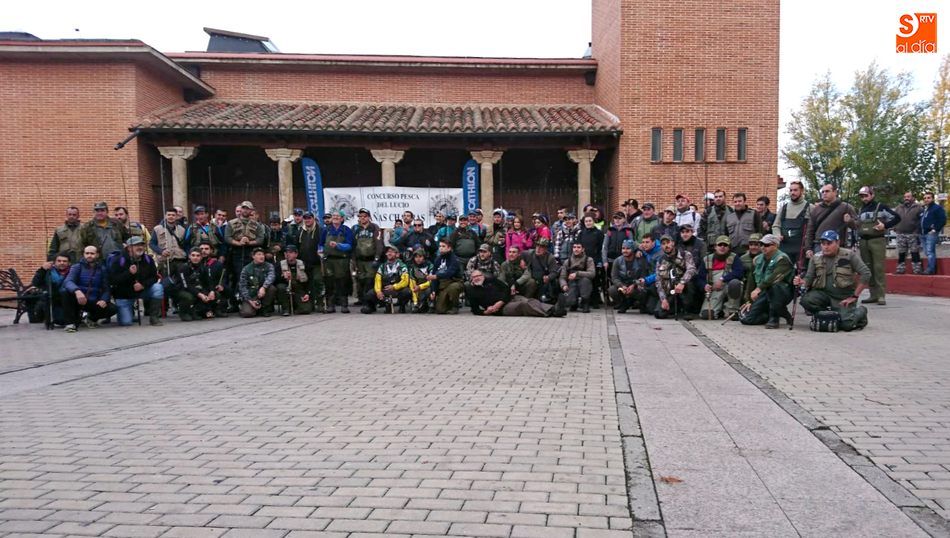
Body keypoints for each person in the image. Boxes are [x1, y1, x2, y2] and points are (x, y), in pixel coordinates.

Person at [794, 230, 871, 331]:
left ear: (837, 242)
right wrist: (801, 282)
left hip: (843, 297)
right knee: (806, 301)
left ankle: (861, 312)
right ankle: (828, 315)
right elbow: (808, 278)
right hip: (823, 294)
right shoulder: (816, 258)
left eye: (829, 243)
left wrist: (854, 296)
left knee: (847, 325)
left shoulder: (849, 255)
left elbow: (866, 273)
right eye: (823, 244)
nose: (825, 247)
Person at [855, 186, 900, 305]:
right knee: (868, 269)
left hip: (877, 240)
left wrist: (885, 225)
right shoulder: (861, 210)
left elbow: (897, 218)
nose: (864, 198)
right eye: (862, 196)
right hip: (864, 241)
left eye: (866, 195)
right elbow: (857, 225)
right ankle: (873, 294)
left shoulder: (881, 207)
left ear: (872, 195)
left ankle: (881, 295)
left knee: (878, 268)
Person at [739, 234, 794, 328]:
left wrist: (758, 289)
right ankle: (774, 313)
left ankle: (774, 318)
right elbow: (751, 281)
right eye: (762, 245)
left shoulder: (782, 259)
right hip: (763, 293)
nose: (763, 247)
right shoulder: (757, 260)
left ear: (776, 246)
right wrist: (748, 300)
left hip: (782, 292)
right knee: (747, 319)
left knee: (774, 286)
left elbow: (774, 278)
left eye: (767, 245)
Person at [109, 236, 164, 326]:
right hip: (124, 295)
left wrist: (143, 285)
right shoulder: (119, 260)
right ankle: (129, 310)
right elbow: (113, 280)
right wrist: (129, 273)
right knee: (126, 322)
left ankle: (154, 317)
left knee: (158, 288)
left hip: (142, 291)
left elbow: (154, 277)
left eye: (142, 245)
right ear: (129, 248)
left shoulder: (148, 259)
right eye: (136, 245)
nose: (140, 247)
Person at [62, 245, 117, 332]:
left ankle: (90, 319)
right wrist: (77, 291)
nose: (89, 255)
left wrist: (104, 299)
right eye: (87, 253)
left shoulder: (102, 269)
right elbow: (68, 281)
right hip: (78, 299)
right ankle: (70, 324)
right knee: (66, 292)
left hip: (93, 300)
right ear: (83, 254)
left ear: (97, 255)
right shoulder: (77, 267)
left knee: (112, 309)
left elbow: (106, 288)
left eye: (92, 253)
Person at [467, 270, 564, 317]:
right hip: (501, 309)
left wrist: (501, 301)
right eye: (474, 277)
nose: (476, 278)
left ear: (483, 275)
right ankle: (550, 313)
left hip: (509, 298)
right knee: (523, 305)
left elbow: (506, 289)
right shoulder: (472, 291)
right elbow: (475, 309)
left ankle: (553, 308)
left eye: (478, 275)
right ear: (471, 279)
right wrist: (485, 312)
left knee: (529, 300)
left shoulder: (491, 280)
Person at [225, 201, 267, 300]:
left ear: (251, 210)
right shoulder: (231, 223)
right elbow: (227, 238)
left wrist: (249, 242)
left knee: (252, 276)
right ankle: (236, 301)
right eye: (243, 208)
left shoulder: (257, 225)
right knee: (237, 276)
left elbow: (261, 239)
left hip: (251, 252)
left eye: (248, 208)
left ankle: (251, 298)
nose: (245, 210)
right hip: (236, 252)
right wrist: (238, 243)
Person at [286, 211, 325, 312]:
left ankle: (320, 303)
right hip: (304, 262)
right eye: (305, 218)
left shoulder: (320, 230)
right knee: (307, 283)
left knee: (317, 281)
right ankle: (310, 303)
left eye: (309, 218)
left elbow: (323, 244)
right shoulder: (300, 231)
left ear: (313, 218)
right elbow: (297, 246)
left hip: (317, 262)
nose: (307, 220)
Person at [805, 183, 858, 256]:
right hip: (819, 245)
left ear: (835, 192)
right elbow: (810, 230)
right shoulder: (816, 210)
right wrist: (808, 248)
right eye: (823, 192)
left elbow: (858, 225)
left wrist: (849, 221)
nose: (824, 193)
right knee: (820, 267)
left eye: (827, 191)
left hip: (839, 246)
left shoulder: (846, 207)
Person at [700, 235, 745, 320]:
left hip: (729, 286)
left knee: (735, 283)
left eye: (725, 245)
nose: (722, 247)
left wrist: (722, 279)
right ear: (715, 247)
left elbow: (739, 272)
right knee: (706, 315)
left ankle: (732, 310)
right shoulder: (707, 259)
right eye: (720, 245)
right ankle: (719, 310)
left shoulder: (734, 257)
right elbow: (700, 277)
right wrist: (704, 285)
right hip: (715, 289)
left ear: (729, 247)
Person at [654, 234, 697, 320]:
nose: (666, 245)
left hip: (684, 287)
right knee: (659, 313)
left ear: (673, 243)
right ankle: (673, 308)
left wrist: (682, 283)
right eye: (663, 244)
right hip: (670, 290)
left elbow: (691, 269)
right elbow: (658, 281)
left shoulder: (685, 254)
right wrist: (663, 299)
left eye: (668, 242)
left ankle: (687, 310)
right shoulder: (660, 260)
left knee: (689, 284)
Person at [319, 211, 355, 313]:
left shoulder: (346, 230)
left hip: (342, 260)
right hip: (328, 260)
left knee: (342, 282)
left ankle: (344, 305)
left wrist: (338, 245)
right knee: (329, 282)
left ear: (342, 218)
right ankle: (330, 305)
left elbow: (349, 245)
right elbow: (321, 244)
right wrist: (320, 251)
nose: (335, 218)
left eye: (337, 216)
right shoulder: (326, 230)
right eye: (333, 216)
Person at [361, 246, 411, 314]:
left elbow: (405, 281)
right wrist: (378, 291)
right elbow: (377, 280)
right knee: (370, 293)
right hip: (384, 289)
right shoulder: (382, 266)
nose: (389, 253)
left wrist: (394, 287)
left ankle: (402, 306)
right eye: (388, 252)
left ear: (397, 254)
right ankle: (373, 307)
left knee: (407, 292)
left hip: (397, 289)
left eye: (392, 252)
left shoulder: (402, 266)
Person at [773, 180, 810, 268]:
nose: (792, 193)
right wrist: (777, 235)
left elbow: (813, 228)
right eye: (791, 190)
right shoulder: (783, 208)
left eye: (795, 190)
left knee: (800, 275)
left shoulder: (810, 208)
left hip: (801, 250)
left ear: (802, 191)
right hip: (784, 248)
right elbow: (776, 226)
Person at [608, 239, 652, 314]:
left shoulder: (640, 260)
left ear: (633, 249)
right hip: (623, 285)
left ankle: (640, 304)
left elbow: (644, 276)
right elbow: (614, 278)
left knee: (643, 289)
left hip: (636, 285)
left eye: (628, 248)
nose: (625, 250)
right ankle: (623, 303)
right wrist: (622, 285)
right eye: (623, 248)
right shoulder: (617, 261)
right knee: (612, 290)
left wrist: (634, 285)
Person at [28, 252, 72, 326]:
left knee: (62, 320)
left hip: (66, 299)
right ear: (54, 262)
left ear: (69, 263)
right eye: (59, 261)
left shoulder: (73, 271)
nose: (62, 263)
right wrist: (42, 270)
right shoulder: (48, 271)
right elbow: (36, 283)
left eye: (65, 261)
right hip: (51, 298)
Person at [177, 247, 220, 320]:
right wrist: (201, 295)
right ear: (189, 256)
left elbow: (209, 281)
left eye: (198, 255)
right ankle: (183, 312)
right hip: (182, 290)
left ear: (201, 257)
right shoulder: (183, 268)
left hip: (197, 289)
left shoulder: (204, 267)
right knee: (189, 297)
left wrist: (212, 291)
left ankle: (197, 311)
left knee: (216, 294)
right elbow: (187, 286)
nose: (195, 258)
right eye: (193, 255)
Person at [427, 239, 464, 314]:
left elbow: (450, 273)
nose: (441, 248)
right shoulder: (438, 259)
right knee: (440, 310)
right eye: (440, 246)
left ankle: (455, 306)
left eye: (443, 246)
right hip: (443, 284)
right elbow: (434, 276)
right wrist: (433, 291)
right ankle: (446, 303)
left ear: (449, 248)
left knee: (453, 288)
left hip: (455, 281)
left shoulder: (454, 259)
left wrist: (436, 276)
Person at [238, 247, 276, 318]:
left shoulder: (269, 266)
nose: (261, 256)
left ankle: (265, 308)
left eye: (262, 254)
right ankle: (252, 307)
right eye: (259, 254)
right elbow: (242, 286)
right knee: (247, 313)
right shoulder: (246, 269)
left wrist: (264, 287)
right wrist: (250, 300)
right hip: (251, 294)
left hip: (263, 293)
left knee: (272, 288)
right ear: (253, 256)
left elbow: (271, 277)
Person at [276, 244, 313, 316]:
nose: (287, 254)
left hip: (299, 288)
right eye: (286, 252)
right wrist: (283, 277)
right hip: (286, 287)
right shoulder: (279, 265)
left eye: (290, 252)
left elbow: (310, 280)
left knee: (306, 309)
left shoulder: (303, 264)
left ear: (296, 254)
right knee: (280, 287)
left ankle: (296, 305)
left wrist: (307, 293)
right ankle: (286, 309)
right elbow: (275, 280)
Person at [559, 242, 595, 312]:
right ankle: (574, 304)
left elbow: (592, 274)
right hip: (572, 283)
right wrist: (564, 285)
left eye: (578, 247)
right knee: (569, 302)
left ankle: (585, 303)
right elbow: (562, 277)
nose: (576, 249)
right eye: (574, 247)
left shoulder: (589, 260)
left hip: (584, 282)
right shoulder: (567, 261)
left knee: (585, 281)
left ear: (583, 249)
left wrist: (577, 274)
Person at [893, 191, 924, 274]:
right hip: (900, 234)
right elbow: (893, 218)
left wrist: (917, 231)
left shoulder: (919, 208)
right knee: (901, 253)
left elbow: (922, 220)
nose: (906, 198)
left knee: (914, 253)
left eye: (908, 197)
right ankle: (900, 269)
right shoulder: (899, 208)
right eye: (905, 197)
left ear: (913, 198)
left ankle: (917, 269)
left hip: (913, 234)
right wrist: (894, 227)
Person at [150, 208, 187, 276]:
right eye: (169, 215)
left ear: (176, 216)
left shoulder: (182, 229)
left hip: (180, 260)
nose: (171, 217)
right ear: (165, 216)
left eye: (173, 215)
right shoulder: (157, 229)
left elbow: (185, 244)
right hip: (165, 261)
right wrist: (161, 251)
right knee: (167, 282)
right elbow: (151, 243)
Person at [522, 238, 560, 302]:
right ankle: (525, 301)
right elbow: (520, 254)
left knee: (554, 283)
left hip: (543, 281)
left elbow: (554, 272)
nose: (538, 249)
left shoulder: (550, 257)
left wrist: (548, 277)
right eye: (537, 246)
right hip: (531, 279)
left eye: (541, 247)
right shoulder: (530, 253)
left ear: (546, 249)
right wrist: (522, 260)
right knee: (531, 282)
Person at [197, 241, 229, 318]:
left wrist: (221, 285)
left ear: (211, 250)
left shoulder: (217, 264)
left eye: (206, 249)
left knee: (226, 290)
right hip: (199, 289)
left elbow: (223, 278)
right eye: (201, 249)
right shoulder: (195, 263)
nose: (203, 251)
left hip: (214, 288)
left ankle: (218, 309)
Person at [920, 192, 946, 275]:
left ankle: (930, 269)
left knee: (930, 251)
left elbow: (942, 219)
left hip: (931, 233)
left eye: (928, 198)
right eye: (925, 198)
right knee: (927, 252)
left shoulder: (937, 208)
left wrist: (935, 229)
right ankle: (932, 268)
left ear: (932, 199)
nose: (926, 199)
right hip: (922, 233)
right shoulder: (924, 209)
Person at [408, 248, 435, 313]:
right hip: (417, 289)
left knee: (429, 289)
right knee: (408, 290)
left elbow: (432, 281)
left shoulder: (430, 266)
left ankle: (431, 303)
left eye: (420, 257)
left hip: (428, 286)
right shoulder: (412, 268)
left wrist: (420, 287)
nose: (418, 259)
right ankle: (416, 304)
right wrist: (415, 302)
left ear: (424, 257)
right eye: (416, 257)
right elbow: (412, 283)